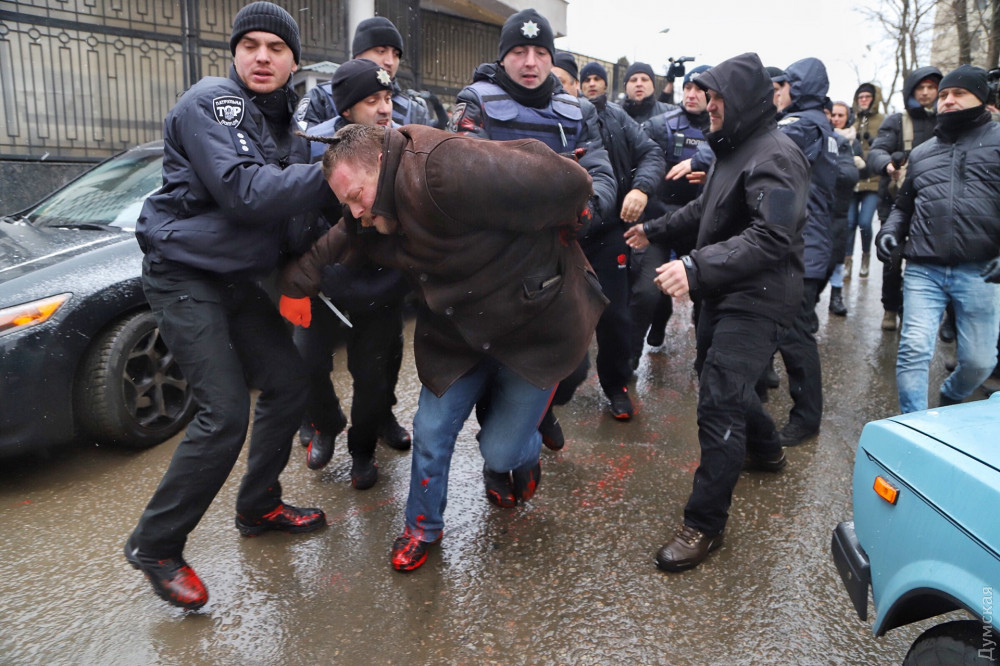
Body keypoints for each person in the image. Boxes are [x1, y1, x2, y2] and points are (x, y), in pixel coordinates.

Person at [279, 123, 607, 571]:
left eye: (356, 197)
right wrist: (295, 287)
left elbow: (569, 180)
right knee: (431, 431)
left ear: (381, 163)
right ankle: (421, 527)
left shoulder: (443, 167)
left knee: (503, 451)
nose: (355, 212)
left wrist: (572, 216)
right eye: (346, 203)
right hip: (457, 335)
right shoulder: (371, 206)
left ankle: (524, 451)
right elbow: (339, 238)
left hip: (532, 326)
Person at [124, 1, 335, 610]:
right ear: (235, 54)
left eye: (276, 48)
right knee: (223, 413)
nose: (262, 57)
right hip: (185, 273)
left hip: (237, 279)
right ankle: (155, 544)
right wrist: (343, 170)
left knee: (288, 382)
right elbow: (245, 192)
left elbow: (293, 218)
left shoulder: (286, 126)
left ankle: (258, 505)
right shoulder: (214, 102)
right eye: (250, 45)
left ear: (294, 61)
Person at [627, 52, 809, 572]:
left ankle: (704, 524)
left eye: (717, 98)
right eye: (707, 96)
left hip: (759, 298)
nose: (708, 105)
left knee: (719, 401)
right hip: (725, 290)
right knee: (719, 379)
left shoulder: (777, 156)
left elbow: (771, 237)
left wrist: (695, 267)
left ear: (744, 100)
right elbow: (704, 210)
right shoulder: (733, 148)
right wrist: (654, 230)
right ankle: (767, 450)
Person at [448, 10, 620, 424]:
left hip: (556, 260)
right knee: (494, 361)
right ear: (503, 56)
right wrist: (548, 195)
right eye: (519, 51)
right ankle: (507, 435)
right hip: (492, 263)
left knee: (572, 368)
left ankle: (536, 418)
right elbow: (466, 175)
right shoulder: (475, 101)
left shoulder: (578, 111)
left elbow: (601, 174)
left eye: (540, 52)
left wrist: (586, 210)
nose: (530, 62)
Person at [289, 58, 412, 486]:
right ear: (345, 110)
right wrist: (321, 274)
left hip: (381, 286)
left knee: (374, 375)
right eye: (372, 100)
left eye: (388, 97)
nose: (384, 108)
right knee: (306, 362)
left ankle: (363, 449)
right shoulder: (313, 149)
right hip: (324, 284)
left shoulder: (405, 148)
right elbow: (300, 221)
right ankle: (325, 423)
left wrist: (388, 281)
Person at [537, 50, 663, 436]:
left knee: (614, 315)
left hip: (606, 232)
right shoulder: (535, 117)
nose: (559, 89)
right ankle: (544, 401)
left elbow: (651, 154)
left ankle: (616, 385)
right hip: (552, 237)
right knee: (552, 319)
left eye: (565, 81)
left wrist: (640, 188)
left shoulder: (616, 119)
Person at [875, 65, 1000, 413]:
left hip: (980, 271)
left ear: (981, 97)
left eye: (958, 93)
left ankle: (952, 397)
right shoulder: (923, 152)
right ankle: (914, 424)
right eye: (943, 94)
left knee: (979, 362)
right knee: (913, 349)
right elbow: (903, 206)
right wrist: (889, 230)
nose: (947, 100)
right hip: (923, 268)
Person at [771, 58, 837, 447]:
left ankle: (807, 417)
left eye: (782, 87)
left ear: (798, 88)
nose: (777, 94)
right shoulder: (816, 123)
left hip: (803, 246)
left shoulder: (801, 125)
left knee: (796, 335)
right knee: (788, 329)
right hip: (807, 241)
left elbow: (764, 152)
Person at [630, 65, 713, 365]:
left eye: (700, 90)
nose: (691, 94)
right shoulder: (659, 125)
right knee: (646, 292)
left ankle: (706, 365)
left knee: (706, 297)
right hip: (660, 222)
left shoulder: (724, 131)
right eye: (688, 87)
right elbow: (643, 161)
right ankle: (628, 362)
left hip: (701, 226)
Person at [867, 66, 942, 331]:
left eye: (931, 87)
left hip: (932, 203)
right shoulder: (897, 121)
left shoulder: (947, 121)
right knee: (892, 257)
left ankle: (913, 312)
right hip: (895, 202)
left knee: (926, 261)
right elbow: (877, 151)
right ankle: (890, 307)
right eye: (920, 88)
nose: (925, 93)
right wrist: (887, 164)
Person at [297, 16, 438, 129]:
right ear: (358, 55)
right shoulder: (323, 98)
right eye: (381, 51)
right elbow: (303, 147)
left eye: (396, 54)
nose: (390, 61)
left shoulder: (414, 111)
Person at [828, 100, 865, 316]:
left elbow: (862, 170)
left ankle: (836, 294)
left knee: (838, 249)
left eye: (840, 115)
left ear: (847, 118)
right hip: (820, 199)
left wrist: (856, 162)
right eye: (833, 114)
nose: (836, 119)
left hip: (842, 201)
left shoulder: (853, 141)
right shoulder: (819, 135)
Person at [845, 83, 883, 280]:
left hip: (873, 180)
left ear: (874, 99)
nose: (864, 100)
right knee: (850, 222)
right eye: (861, 97)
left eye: (867, 96)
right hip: (852, 180)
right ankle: (847, 262)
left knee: (865, 223)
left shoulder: (883, 120)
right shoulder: (851, 120)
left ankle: (866, 256)